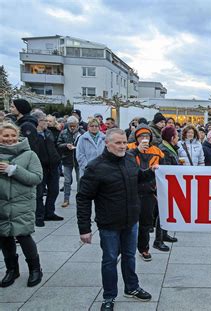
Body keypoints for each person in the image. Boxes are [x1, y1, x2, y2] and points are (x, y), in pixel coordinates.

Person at [77, 128, 154, 310]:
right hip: (109, 223)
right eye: (118, 143)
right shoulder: (95, 167)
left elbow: (138, 178)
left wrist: (151, 171)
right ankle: (109, 296)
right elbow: (83, 198)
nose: (122, 146)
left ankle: (132, 287)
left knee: (129, 256)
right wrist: (84, 228)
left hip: (131, 220)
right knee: (110, 259)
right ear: (107, 143)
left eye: (124, 142)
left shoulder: (129, 159)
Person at [0, 122, 43, 288]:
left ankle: (35, 269)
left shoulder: (29, 155)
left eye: (12, 135)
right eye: (5, 136)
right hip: (2, 205)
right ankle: (12, 269)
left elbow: (36, 178)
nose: (9, 139)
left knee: (24, 236)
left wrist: (13, 170)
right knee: (4, 237)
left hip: (22, 203)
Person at [127, 124, 165, 259]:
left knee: (146, 222)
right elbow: (125, 163)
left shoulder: (157, 151)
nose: (145, 138)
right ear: (136, 138)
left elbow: (164, 168)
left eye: (147, 136)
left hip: (149, 191)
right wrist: (137, 150)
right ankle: (128, 247)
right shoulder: (129, 149)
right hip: (132, 191)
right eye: (142, 136)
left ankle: (144, 248)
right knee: (130, 222)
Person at [31, 111, 63, 227]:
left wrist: (58, 156)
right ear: (38, 122)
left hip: (53, 165)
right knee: (39, 192)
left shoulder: (49, 132)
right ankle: (39, 215)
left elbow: (55, 146)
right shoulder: (33, 134)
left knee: (54, 190)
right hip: (40, 166)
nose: (47, 123)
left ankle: (49, 212)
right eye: (44, 120)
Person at [154, 126, 180, 251]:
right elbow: (166, 171)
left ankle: (163, 234)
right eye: (177, 135)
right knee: (162, 212)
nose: (178, 138)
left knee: (166, 210)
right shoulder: (164, 150)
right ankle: (157, 240)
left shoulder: (169, 148)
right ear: (172, 137)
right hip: (164, 186)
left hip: (168, 185)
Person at [57, 116, 85, 208]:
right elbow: (58, 144)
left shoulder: (82, 133)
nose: (72, 128)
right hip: (67, 159)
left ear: (77, 125)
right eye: (71, 126)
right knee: (67, 181)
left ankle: (80, 199)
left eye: (74, 126)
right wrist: (66, 145)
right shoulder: (64, 133)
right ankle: (66, 199)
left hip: (78, 160)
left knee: (80, 180)